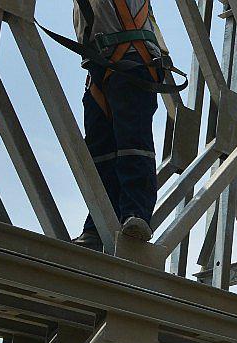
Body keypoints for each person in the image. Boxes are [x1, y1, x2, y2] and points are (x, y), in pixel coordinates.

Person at [64, 0, 172, 250]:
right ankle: (98, 224)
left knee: (132, 142)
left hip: (132, 58)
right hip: (101, 64)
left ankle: (136, 213)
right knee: (100, 151)